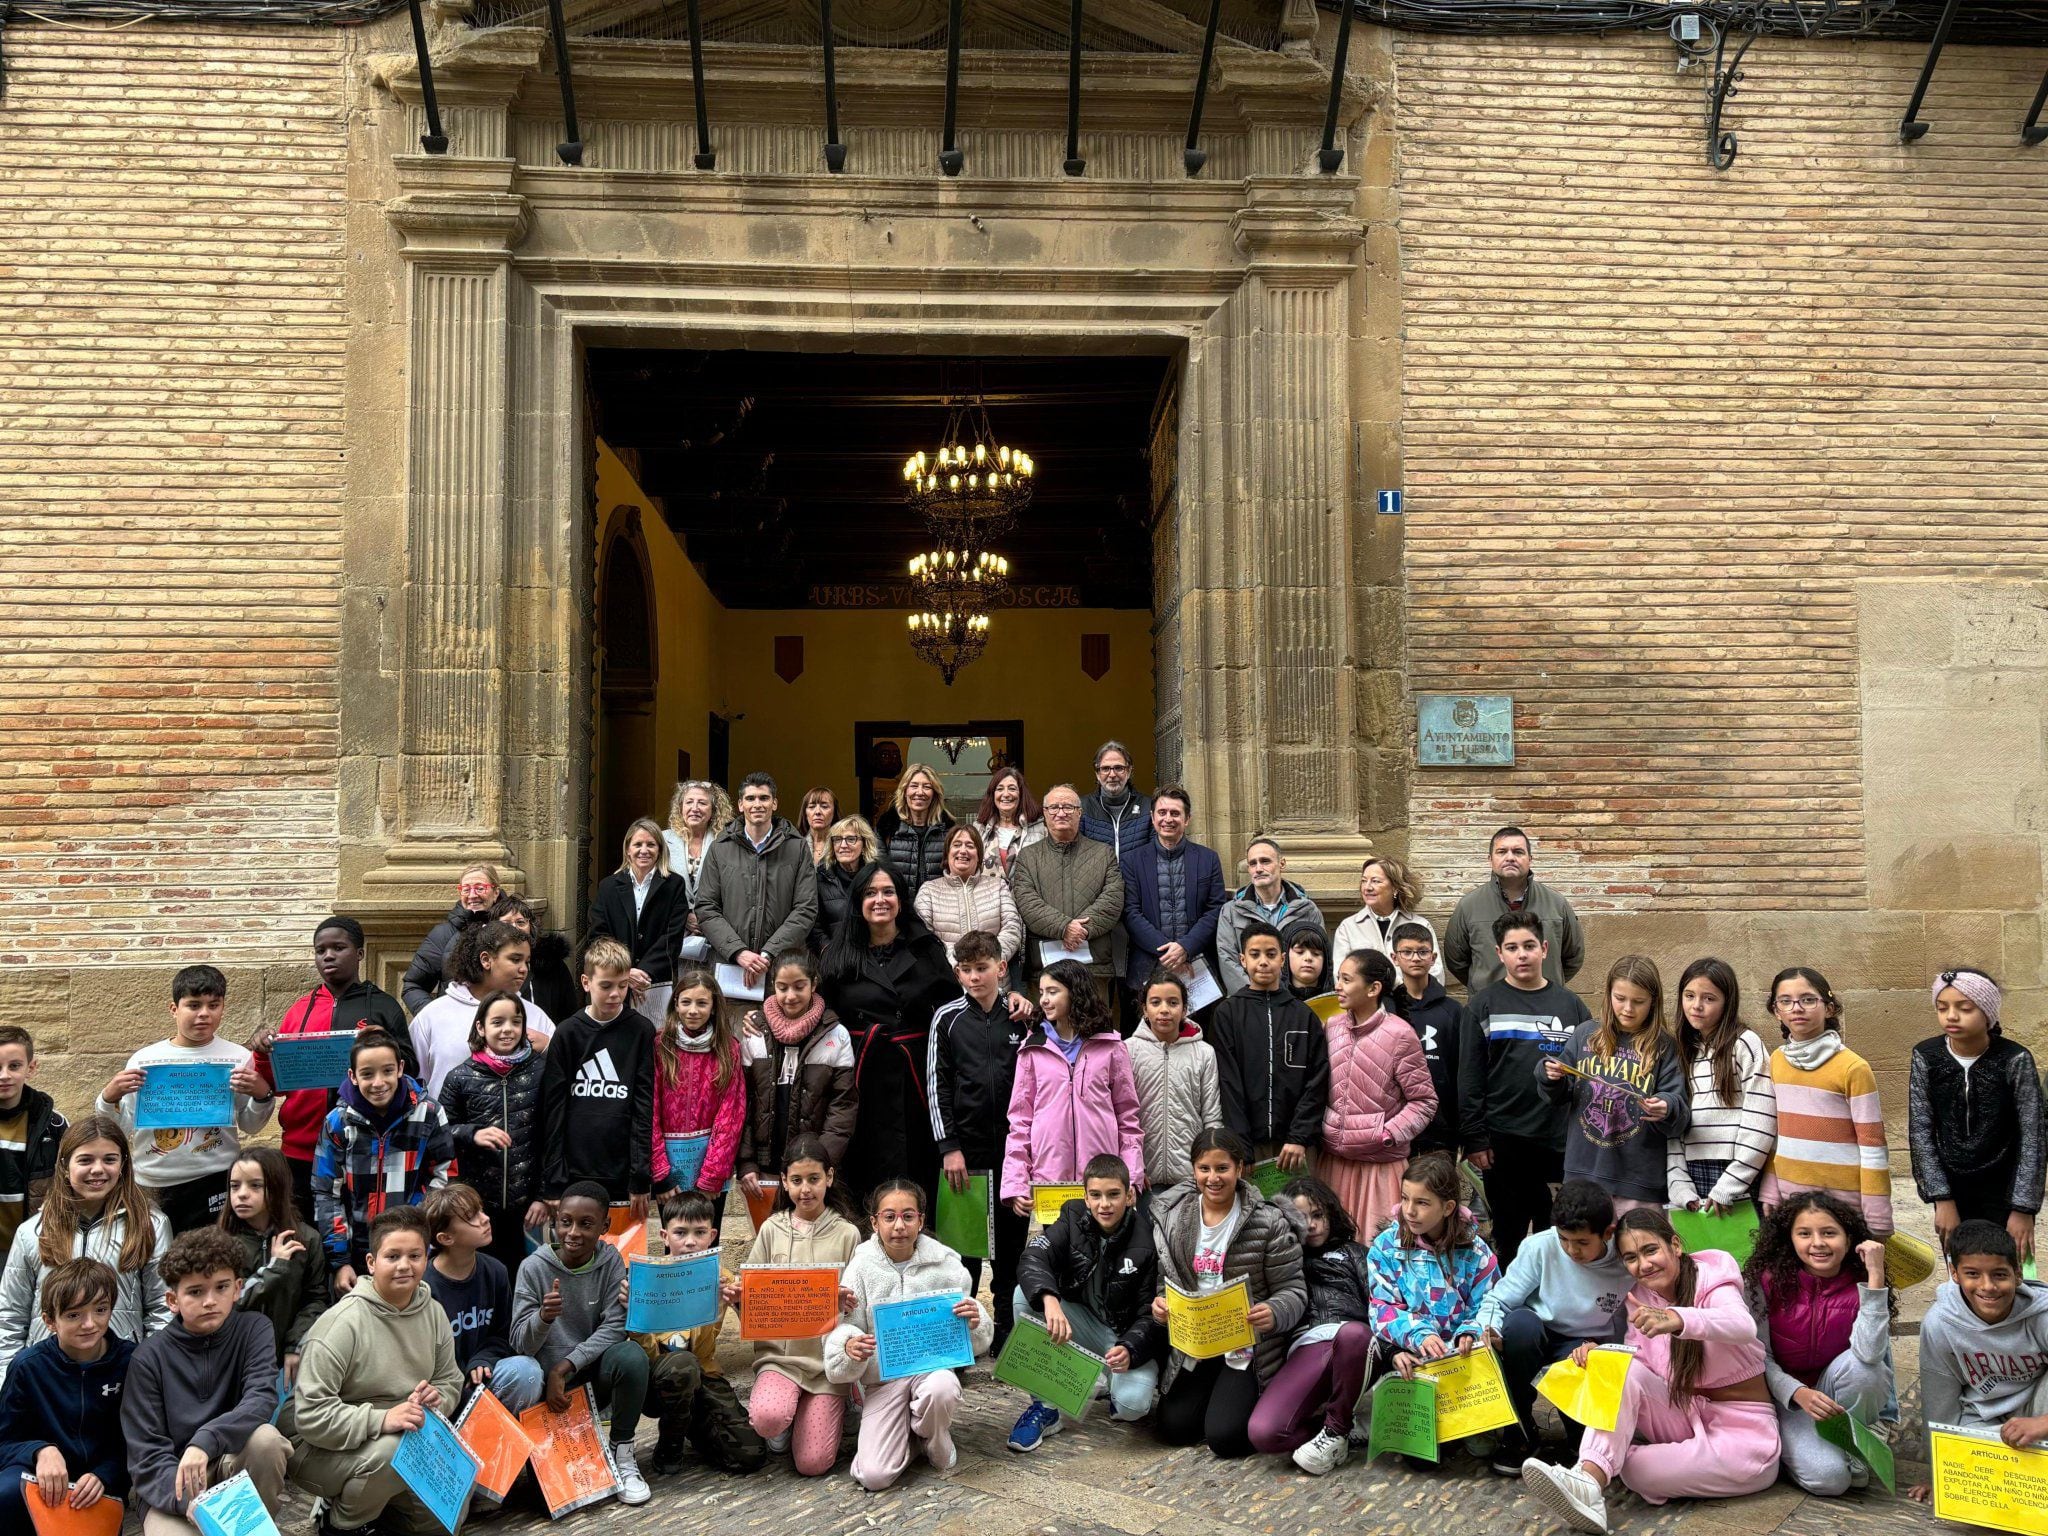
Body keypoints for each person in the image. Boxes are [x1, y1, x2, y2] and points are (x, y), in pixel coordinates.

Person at [1520, 1208, 1780, 1533]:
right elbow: (1638, 1369)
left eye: (1650, 1250)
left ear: (1675, 1245)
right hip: (1683, 1414)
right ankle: (1588, 1481)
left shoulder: (1710, 1273)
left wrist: (1680, 1318)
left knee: (1634, 1470)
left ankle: (1599, 1471)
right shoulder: (1639, 1299)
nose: (1643, 1265)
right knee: (1618, 1369)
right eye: (1630, 1258)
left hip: (1744, 1432)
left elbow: (1741, 1325)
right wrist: (1600, 1354)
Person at [283, 1206, 464, 1536]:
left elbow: (450, 1378)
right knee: (391, 1452)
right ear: (371, 1262)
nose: (404, 1266)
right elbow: (310, 1417)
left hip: (399, 1437)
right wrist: (382, 1419)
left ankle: (377, 1511)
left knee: (447, 1518)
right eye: (392, 1256)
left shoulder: (434, 1312)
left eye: (414, 1255)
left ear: (427, 1258)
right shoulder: (341, 1325)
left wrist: (439, 1399)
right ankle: (339, 1523)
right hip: (320, 1448)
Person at [1149, 1127, 1308, 1458]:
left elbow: (1293, 1289)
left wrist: (1275, 1311)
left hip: (1247, 1348)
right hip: (1197, 1345)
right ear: (1193, 1170)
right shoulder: (1175, 1217)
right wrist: (1161, 1306)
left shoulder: (1269, 1221)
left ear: (1239, 1168)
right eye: (1204, 1168)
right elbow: (1166, 1280)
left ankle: (1246, 1404)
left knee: (1225, 1438)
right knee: (1172, 1428)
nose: (1213, 1178)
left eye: (1222, 1168)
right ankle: (1215, 1398)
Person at [826, 1177, 993, 1490]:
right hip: (884, 1379)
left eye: (907, 1216)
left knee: (941, 1388)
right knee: (873, 1476)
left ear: (921, 1221)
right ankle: (914, 1435)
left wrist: (974, 1321)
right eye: (889, 1217)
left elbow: (971, 1333)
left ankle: (934, 1437)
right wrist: (848, 1346)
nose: (898, 1225)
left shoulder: (947, 1266)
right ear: (875, 1222)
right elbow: (847, 1325)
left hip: (931, 1371)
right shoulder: (860, 1268)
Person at [123, 1227, 288, 1536]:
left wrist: (205, 1440)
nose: (210, 1301)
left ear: (238, 1288)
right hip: (171, 1487)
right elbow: (147, 1454)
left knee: (267, 1440)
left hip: (230, 1464)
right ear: (173, 1299)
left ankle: (253, 1527)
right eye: (196, 1292)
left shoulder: (255, 1329)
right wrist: (191, 1503)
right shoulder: (148, 1357)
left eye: (221, 1287)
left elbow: (261, 1399)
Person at [1456, 912, 1594, 1264]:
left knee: (1559, 1235)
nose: (1522, 954)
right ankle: (1507, 1314)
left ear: (1544, 949)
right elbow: (1470, 1077)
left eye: (1529, 946)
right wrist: (1475, 1138)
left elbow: (1589, 1070)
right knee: (1509, 1234)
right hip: (1504, 1141)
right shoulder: (1483, 1005)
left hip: (1558, 1141)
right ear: (1500, 954)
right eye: (1512, 948)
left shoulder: (1572, 1006)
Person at [96, 963, 275, 1234]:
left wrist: (262, 1096)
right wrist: (108, 1098)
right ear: (174, 1009)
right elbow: (121, 1129)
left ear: (223, 1007)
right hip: (153, 1181)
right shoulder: (145, 1060)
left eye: (213, 1005)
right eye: (193, 1005)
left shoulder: (238, 1057)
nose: (204, 1014)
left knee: (210, 1261)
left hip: (215, 1178)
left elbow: (250, 1125)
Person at [253, 919, 412, 1219]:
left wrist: (384, 1043)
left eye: (338, 948)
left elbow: (410, 1069)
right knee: (304, 1236)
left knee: (360, 1232)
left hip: (364, 1147)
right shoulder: (300, 1009)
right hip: (301, 1150)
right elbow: (278, 1084)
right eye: (320, 950)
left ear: (360, 954)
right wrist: (262, 1053)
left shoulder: (384, 1006)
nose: (328, 956)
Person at [822, 863, 958, 1204]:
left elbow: (956, 1008)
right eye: (870, 893)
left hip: (913, 1078)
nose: (879, 900)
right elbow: (816, 1011)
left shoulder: (927, 949)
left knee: (913, 1164)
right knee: (865, 1166)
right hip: (860, 1075)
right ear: (857, 901)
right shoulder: (838, 953)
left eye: (888, 892)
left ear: (901, 899)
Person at [1007, 1153, 1162, 1450]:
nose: (1105, 1204)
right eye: (1096, 1195)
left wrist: (1130, 1347)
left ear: (1129, 1195)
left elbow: (1149, 1313)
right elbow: (1033, 1257)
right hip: (1081, 1320)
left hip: (1121, 1335)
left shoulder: (1147, 1238)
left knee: (1132, 1407)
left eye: (1114, 1195)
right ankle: (1046, 1406)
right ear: (1086, 1197)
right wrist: (1049, 1299)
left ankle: (1101, 1380)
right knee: (1024, 1297)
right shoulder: (1071, 1216)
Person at [729, 1134, 863, 1477]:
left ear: (829, 1179)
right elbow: (754, 1307)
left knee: (812, 1464)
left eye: (814, 1179)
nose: (806, 1189)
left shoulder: (847, 1233)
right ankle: (785, 1416)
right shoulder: (771, 1230)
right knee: (768, 1418)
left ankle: (838, 1402)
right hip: (780, 1359)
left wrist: (847, 1304)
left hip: (827, 1366)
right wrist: (738, 1300)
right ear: (784, 1182)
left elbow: (860, 1309)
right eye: (797, 1180)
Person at [1743, 1192, 1893, 1496]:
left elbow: (1870, 1354)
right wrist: (1796, 1393)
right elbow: (1758, 1357)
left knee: (1865, 1369)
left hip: (1835, 1390)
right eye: (1804, 1233)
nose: (1818, 1243)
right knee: (1831, 1480)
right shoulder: (1765, 1282)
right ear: (1790, 1239)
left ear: (1848, 1239)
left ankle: (1853, 1441)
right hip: (1786, 1399)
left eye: (1829, 1233)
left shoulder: (1860, 1282)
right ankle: (1792, 1447)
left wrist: (1875, 1277)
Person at [509, 1181, 650, 1504]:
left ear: (604, 1226)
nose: (573, 1232)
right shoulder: (533, 1268)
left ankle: (622, 1452)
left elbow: (615, 1326)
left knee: (630, 1356)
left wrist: (566, 1365)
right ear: (554, 1222)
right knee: (549, 1500)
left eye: (586, 1224)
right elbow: (520, 1344)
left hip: (586, 1373)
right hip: (547, 1389)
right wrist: (542, 1318)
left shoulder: (611, 1261)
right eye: (565, 1222)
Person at [1476, 1179, 1628, 1473]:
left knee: (1584, 1436)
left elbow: (1625, 1325)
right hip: (1535, 1332)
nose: (1572, 1250)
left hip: (1583, 1343)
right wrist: (1489, 1328)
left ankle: (1579, 1434)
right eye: (1564, 1239)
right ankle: (1519, 1429)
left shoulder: (1624, 1263)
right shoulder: (1540, 1246)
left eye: (1582, 1242)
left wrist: (1605, 1350)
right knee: (1520, 1325)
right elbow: (1501, 1299)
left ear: (1607, 1233)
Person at [926, 929, 1031, 1352]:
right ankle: (963, 1340)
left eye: (982, 968)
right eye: (966, 970)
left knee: (1009, 1251)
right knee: (963, 1254)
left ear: (1001, 968)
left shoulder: (1021, 1017)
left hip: (1014, 1153)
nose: (974, 978)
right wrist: (948, 1146)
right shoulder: (946, 1018)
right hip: (964, 1154)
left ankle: (1005, 1330)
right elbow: (937, 1085)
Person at [0, 1116, 169, 1377]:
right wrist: (7, 1380)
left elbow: (162, 1309)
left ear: (123, 1164)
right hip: (47, 1377)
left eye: (109, 1159)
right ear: (65, 1165)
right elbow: (9, 1316)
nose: (98, 1169)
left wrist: (148, 1374)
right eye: (86, 1160)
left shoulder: (150, 1225)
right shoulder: (32, 1232)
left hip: (120, 1373)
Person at [1910, 1219, 2048, 1503]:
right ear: (1955, 1273)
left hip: (2038, 1406)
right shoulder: (1940, 1324)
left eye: (2000, 1274)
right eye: (1973, 1273)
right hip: (1984, 1418)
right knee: (1975, 1489)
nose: (1988, 1287)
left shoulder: (2042, 1315)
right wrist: (1941, 1472)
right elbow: (1939, 1402)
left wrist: (2043, 1422)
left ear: (2018, 1273)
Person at [1910, 966, 2044, 1259]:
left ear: (1988, 1012)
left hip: (2006, 1183)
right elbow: (1921, 1129)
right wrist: (1941, 1198)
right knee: (1962, 1263)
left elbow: (2032, 1135)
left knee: (2016, 1263)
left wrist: (2022, 1208)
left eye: (1965, 1008)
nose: (1952, 1016)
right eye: (1942, 1008)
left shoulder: (2015, 1059)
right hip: (1952, 1184)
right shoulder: (1926, 1056)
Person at [1542, 955, 1690, 1217]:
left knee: (1635, 1255)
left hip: (1637, 1183)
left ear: (1653, 1002)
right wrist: (1550, 1075)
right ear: (1608, 994)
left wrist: (1666, 1106)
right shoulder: (1585, 1035)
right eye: (1620, 998)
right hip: (1583, 1174)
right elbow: (1558, 1093)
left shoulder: (1664, 1046)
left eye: (1638, 1001)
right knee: (1582, 1252)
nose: (1628, 1009)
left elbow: (1678, 1107)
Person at [1369, 1152, 1500, 1445]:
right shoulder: (1386, 1247)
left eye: (1422, 1203)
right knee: (1422, 1461)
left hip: (1462, 1358)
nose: (1409, 1211)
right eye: (1404, 1199)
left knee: (1476, 1445)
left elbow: (1491, 1302)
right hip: (1415, 1356)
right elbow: (1381, 1308)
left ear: (1448, 1207)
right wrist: (1413, 1336)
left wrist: (1471, 1331)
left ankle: (1480, 1421)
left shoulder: (1475, 1252)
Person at [633, 1188, 766, 1476]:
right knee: (682, 1365)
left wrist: (736, 1302)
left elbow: (756, 1326)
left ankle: (692, 1422)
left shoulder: (721, 1277)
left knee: (749, 1455)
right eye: (680, 1233)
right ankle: (670, 1441)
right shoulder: (648, 1279)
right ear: (664, 1236)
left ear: (713, 1235)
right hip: (657, 1378)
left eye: (699, 1232)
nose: (690, 1242)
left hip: (703, 1374)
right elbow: (643, 1351)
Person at [1248, 1177, 1374, 1475]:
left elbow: (1380, 1301)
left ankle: (1336, 1430)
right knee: (1264, 1433)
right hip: (1308, 1346)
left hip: (1359, 1343)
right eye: (1302, 1218)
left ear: (1331, 1213)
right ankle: (1336, 1426)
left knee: (1353, 1334)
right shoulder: (1283, 1255)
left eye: (1318, 1215)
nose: (1312, 1225)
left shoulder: (1354, 1252)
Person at [313, 1029, 454, 1295]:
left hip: (413, 1246)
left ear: (400, 1068)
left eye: (387, 1071)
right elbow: (326, 1191)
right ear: (353, 1076)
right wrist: (339, 1261)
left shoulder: (429, 1114)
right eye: (367, 1074)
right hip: (358, 1248)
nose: (378, 1082)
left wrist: (421, 1227)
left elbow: (445, 1176)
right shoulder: (338, 1123)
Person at [1002, 959, 1146, 1215]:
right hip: (1050, 1181)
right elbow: (1020, 1123)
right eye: (1042, 992)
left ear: (1075, 993)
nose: (1044, 999)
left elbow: (1128, 1119)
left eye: (1053, 991)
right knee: (1059, 1252)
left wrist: (1131, 1176)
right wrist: (1017, 1183)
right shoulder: (1032, 1049)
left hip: (1103, 1183)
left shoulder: (1111, 1047)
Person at [1757, 967, 1892, 1237]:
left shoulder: (1853, 1067)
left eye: (1808, 999)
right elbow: (1776, 1133)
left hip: (1843, 1205)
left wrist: (1877, 1215)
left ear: (1829, 1008)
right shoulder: (1776, 1061)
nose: (1797, 1008)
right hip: (1791, 1201)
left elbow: (1872, 1144)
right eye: (1785, 1001)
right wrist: (1770, 1188)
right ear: (1776, 1011)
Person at [0, 1257, 132, 1527]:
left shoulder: (132, 1361)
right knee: (6, 1493)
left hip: (100, 1484)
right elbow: (4, 1441)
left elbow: (142, 1439)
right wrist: (40, 1451)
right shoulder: (28, 1366)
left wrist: (106, 1475)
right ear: (50, 1321)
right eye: (74, 1315)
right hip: (39, 1478)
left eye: (100, 1310)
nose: (89, 1324)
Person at [540, 937, 656, 1221]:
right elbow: (553, 1108)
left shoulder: (641, 1030)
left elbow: (644, 1106)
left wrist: (640, 1175)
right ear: (586, 982)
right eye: (606, 985)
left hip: (621, 1172)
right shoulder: (567, 1033)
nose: (616, 994)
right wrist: (553, 1177)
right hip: (573, 1170)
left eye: (623, 985)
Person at [1320, 950, 1435, 1237]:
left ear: (1373, 989)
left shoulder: (1400, 1034)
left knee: (1377, 1248)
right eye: (1338, 978)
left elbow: (1424, 1101)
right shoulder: (1331, 1028)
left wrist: (1386, 1134)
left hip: (1380, 1167)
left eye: (1346, 979)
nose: (1338, 986)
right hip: (1332, 1160)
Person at [438, 989, 548, 1280]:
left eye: (515, 1021)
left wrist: (543, 1195)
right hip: (477, 1207)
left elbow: (554, 1136)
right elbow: (438, 1132)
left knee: (523, 1278)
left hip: (528, 1205)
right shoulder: (461, 1077)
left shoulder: (542, 1071)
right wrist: (471, 1133)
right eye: (497, 1022)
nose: (507, 1029)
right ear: (481, 1027)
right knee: (482, 1277)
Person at [1208, 922, 1329, 1173]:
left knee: (1302, 1209)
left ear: (1283, 959)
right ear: (1242, 959)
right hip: (1248, 1146)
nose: (1263, 962)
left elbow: (1317, 1080)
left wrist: (1299, 1137)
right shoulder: (1228, 1013)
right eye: (1255, 954)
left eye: (1271, 954)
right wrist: (1240, 1144)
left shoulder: (1303, 1015)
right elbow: (1228, 1082)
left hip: (1296, 1146)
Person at [738, 951, 858, 1196]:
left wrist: (821, 1161)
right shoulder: (754, 1031)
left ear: (814, 984)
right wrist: (746, 1161)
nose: (790, 996)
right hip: (765, 1162)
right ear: (773, 986)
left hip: (813, 1166)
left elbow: (843, 1105)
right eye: (782, 987)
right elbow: (744, 1102)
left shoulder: (835, 1034)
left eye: (799, 986)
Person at [697, 773, 822, 1004]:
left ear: (774, 803)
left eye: (764, 798)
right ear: (740, 804)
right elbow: (706, 907)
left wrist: (768, 954)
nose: (757, 804)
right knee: (731, 1035)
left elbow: (805, 908)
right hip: (730, 967)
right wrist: (739, 952)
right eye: (751, 798)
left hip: (782, 968)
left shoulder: (797, 848)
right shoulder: (720, 849)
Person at [1666, 958, 1777, 1215]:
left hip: (1738, 1174)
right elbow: (1674, 1125)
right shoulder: (1683, 1051)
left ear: (1727, 1002)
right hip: (1693, 1176)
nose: (1697, 1006)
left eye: (1709, 998)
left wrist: (1731, 1183)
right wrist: (1679, 1185)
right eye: (1689, 995)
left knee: (1745, 1252)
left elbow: (1762, 1118)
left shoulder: (1745, 1044)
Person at [422, 1183, 541, 1417]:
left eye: (481, 1211)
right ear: (446, 1238)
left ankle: (496, 1442)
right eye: (471, 1217)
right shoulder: (425, 1286)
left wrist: (483, 1359)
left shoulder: (495, 1271)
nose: (485, 1219)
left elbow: (503, 1332)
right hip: (441, 1391)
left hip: (482, 1378)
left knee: (528, 1371)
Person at [409, 918, 553, 1101]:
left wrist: (549, 1046)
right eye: (515, 959)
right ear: (486, 960)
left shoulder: (535, 1016)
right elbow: (415, 1086)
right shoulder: (433, 1016)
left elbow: (562, 1074)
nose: (524, 969)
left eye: (527, 961)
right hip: (447, 1127)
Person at [219, 1147, 327, 1385]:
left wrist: (294, 1344)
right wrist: (274, 1268)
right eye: (234, 1186)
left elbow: (316, 1299)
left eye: (255, 1185)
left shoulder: (306, 1239)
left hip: (287, 1362)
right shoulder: (221, 1242)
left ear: (277, 1188)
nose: (242, 1194)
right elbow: (227, 1301)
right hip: (236, 1362)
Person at [1118, 784, 1227, 1009]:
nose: (1168, 819)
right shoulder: (1132, 860)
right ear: (1152, 817)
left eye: (1175, 813)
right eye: (1162, 812)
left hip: (1197, 967)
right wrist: (1168, 952)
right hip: (1147, 967)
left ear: (1187, 819)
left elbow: (1216, 909)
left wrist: (1185, 947)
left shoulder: (1208, 859)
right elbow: (1129, 911)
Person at [1012, 784, 1125, 995]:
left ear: (1080, 812)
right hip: (1045, 971)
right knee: (1047, 1028)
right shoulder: (1028, 857)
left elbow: (1113, 900)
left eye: (1068, 807)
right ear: (1045, 813)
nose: (1061, 813)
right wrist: (1064, 927)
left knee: (1094, 1027)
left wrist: (1078, 931)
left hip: (1094, 968)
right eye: (1053, 807)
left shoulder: (1104, 853)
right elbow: (1027, 903)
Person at [1443, 826, 1585, 995]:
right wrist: (1483, 987)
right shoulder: (1469, 906)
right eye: (1502, 852)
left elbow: (1573, 957)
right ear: (1490, 859)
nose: (1510, 857)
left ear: (1530, 859)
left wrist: (1544, 985)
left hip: (1544, 1006)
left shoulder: (1556, 903)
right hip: (1490, 1009)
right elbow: (1456, 961)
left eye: (1518, 852)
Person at [651, 966, 747, 1213]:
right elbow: (650, 1109)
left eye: (702, 1003)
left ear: (714, 1006)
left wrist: (713, 1175)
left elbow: (732, 1113)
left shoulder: (728, 1049)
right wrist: (660, 1169)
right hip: (670, 1167)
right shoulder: (661, 1046)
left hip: (710, 1164)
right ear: (676, 1004)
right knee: (675, 1237)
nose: (693, 1010)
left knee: (706, 1236)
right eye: (686, 1002)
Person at [588, 816, 693, 1030]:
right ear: (628, 849)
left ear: (660, 849)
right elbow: (599, 934)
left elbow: (672, 937)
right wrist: (625, 971)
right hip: (614, 978)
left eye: (650, 844)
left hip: (655, 981)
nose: (644, 850)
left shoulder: (673, 885)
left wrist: (643, 972)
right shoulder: (608, 886)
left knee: (655, 1040)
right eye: (638, 844)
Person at [1125, 970, 1221, 1194]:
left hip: (1189, 1174)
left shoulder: (1204, 1053)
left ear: (1185, 1009)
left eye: (1173, 1002)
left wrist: (1205, 1167)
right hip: (1142, 1175)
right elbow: (1122, 1117)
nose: (1164, 1010)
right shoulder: (1128, 1050)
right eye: (1155, 1002)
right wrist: (1133, 1168)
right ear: (1144, 1009)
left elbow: (1212, 1116)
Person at [1214, 839, 1325, 996]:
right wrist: (1256, 996)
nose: (1258, 868)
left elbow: (1316, 955)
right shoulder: (1231, 911)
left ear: (1282, 864)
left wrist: (1286, 999)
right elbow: (1228, 959)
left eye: (1265, 861)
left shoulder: (1307, 910)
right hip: (1249, 1003)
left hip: (1295, 1002)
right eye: (1253, 864)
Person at [1387, 922, 1462, 1154]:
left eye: (1422, 951)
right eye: (1407, 952)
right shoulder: (1385, 1009)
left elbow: (1462, 1070)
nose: (1415, 958)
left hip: (1442, 1128)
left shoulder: (1453, 1011)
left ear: (1433, 957)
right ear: (1394, 957)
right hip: (1394, 1125)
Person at [0, 1025, 64, 1268]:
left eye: (14, 1066)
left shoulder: (53, 1124)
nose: (4, 1075)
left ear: (31, 1068)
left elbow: (67, 1183)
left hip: (33, 1246)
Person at [915, 823, 1024, 966]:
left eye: (970, 846)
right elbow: (924, 937)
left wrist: (988, 962)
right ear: (947, 854)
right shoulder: (928, 891)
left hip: (994, 980)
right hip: (948, 980)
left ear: (979, 856)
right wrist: (960, 965)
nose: (963, 851)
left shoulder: (998, 886)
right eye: (957, 845)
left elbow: (1012, 928)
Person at [401, 864, 500, 1016]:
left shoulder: (514, 927)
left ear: (495, 892)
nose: (472, 895)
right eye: (466, 889)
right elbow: (413, 985)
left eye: (480, 888)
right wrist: (437, 1017)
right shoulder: (444, 934)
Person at [1331, 856, 1444, 982]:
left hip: (1413, 1001)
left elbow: (1436, 975)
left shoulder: (1420, 924)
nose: (1367, 887)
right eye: (1364, 881)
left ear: (1395, 888)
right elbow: (1340, 977)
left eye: (1376, 881)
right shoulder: (1348, 927)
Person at [664, 780, 735, 957]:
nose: (694, 808)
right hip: (672, 935)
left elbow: (734, 889)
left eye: (702, 803)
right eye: (689, 802)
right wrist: (684, 915)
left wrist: (706, 919)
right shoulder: (662, 841)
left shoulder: (727, 842)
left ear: (713, 810)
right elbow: (656, 888)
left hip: (716, 937)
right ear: (680, 807)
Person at [488, 892, 581, 1024]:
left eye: (520, 922)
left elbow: (568, 1014)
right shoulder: (485, 968)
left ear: (531, 927)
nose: (514, 928)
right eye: (506, 923)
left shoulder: (553, 966)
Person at [873, 762, 955, 906]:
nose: (920, 792)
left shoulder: (948, 830)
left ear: (935, 793)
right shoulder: (887, 828)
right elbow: (879, 873)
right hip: (898, 910)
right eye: (914, 785)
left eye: (927, 787)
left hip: (939, 909)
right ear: (904, 791)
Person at [813, 816, 879, 952]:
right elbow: (814, 928)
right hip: (835, 959)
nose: (843, 845)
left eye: (851, 839)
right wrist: (829, 952)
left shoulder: (878, 877)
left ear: (865, 844)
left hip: (875, 956)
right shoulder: (820, 879)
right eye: (837, 839)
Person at [1081, 740, 1153, 859]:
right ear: (1097, 774)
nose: (1112, 774)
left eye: (1119, 768)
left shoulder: (1148, 806)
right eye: (1105, 769)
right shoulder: (1082, 807)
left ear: (1129, 771)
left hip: (1137, 878)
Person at [974, 765, 1045, 882]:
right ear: (992, 795)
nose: (1006, 794)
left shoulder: (1039, 830)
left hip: (1025, 899)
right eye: (1000, 789)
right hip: (987, 898)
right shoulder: (979, 829)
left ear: (1021, 794)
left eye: (1012, 788)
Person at [1284, 924, 1331, 1004]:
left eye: (1316, 954)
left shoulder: (1337, 1002)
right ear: (1285, 957)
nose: (1308, 958)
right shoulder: (1272, 1001)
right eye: (1300, 952)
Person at [799, 785, 840, 867]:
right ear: (805, 813)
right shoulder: (795, 846)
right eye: (811, 807)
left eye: (824, 807)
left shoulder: (842, 845)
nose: (817, 812)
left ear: (834, 812)